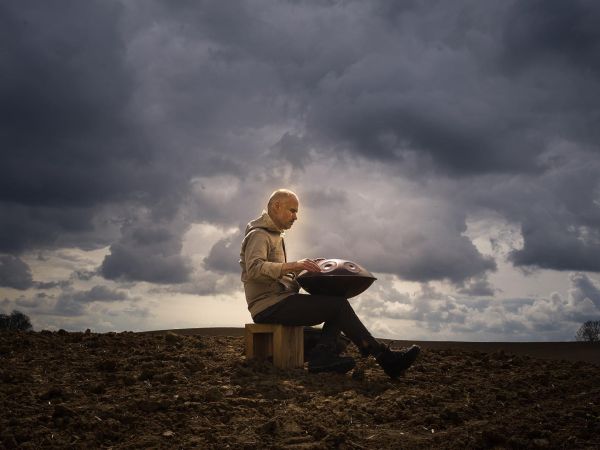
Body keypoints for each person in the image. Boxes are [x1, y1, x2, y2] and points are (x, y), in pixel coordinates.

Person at [239, 189, 420, 376]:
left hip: (279, 301)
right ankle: (383, 358)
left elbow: (276, 276)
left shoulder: (275, 236)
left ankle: (323, 357)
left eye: (297, 212)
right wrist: (293, 265)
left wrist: (303, 269)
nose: (295, 217)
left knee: (339, 328)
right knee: (338, 306)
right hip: (268, 306)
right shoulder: (259, 235)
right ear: (276, 206)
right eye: (292, 211)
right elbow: (254, 270)